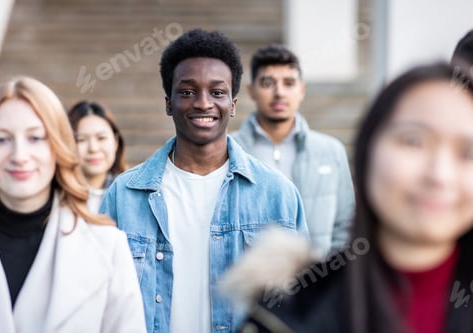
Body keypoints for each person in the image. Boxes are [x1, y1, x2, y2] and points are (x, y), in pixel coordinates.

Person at [225, 62, 473, 333]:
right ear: (367, 152)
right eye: (413, 141)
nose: (439, 175)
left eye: (467, 153)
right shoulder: (286, 313)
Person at [100, 29, 308, 333]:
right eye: (187, 92)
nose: (202, 103)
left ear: (233, 104)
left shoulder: (278, 195)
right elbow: (100, 297)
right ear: (169, 102)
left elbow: (301, 307)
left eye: (217, 92)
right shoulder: (124, 194)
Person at [0, 76, 147, 333]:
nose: (19, 156)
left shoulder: (109, 247)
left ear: (58, 146)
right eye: (1, 139)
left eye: (35, 138)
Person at [232, 44, 355, 256]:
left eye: (288, 83)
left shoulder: (331, 151)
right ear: (251, 91)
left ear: (301, 90)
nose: (279, 92)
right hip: (249, 283)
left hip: (316, 282)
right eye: (267, 83)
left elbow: (346, 225)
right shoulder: (230, 151)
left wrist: (327, 280)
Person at [67, 101, 128, 213]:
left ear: (115, 142)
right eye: (81, 139)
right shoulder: (56, 197)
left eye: (101, 138)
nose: (93, 148)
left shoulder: (132, 194)